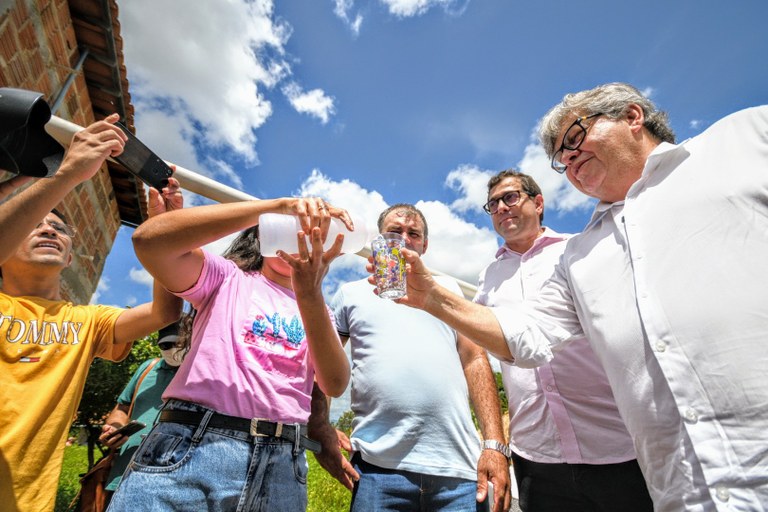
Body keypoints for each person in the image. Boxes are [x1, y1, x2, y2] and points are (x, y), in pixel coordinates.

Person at [373, 83, 768, 510]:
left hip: (622, 456)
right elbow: (528, 338)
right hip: (673, 486)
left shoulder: (742, 140)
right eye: (561, 156)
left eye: (575, 137)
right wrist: (431, 294)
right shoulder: (581, 258)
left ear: (633, 117)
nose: (569, 158)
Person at [107, 196, 352, 511]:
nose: (300, 237)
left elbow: (334, 382)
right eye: (291, 227)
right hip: (193, 444)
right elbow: (149, 242)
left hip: (282, 460)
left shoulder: (322, 311)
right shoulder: (226, 278)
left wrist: (309, 293)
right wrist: (276, 206)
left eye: (309, 233)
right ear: (265, 232)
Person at [0, 114, 183, 512]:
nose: (49, 229)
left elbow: (167, 309)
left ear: (69, 257)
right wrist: (66, 176)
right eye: (36, 224)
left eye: (60, 229)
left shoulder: (85, 321)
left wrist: (164, 230)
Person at [475, 169, 651, 511]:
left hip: (615, 443)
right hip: (537, 457)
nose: (501, 207)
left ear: (538, 202)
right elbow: (479, 353)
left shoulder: (580, 250)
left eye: (510, 197)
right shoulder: (487, 279)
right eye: (493, 203)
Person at [327, 203, 511, 512]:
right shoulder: (349, 294)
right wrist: (321, 423)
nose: (404, 239)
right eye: (394, 232)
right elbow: (323, 360)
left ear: (424, 245)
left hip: (457, 473)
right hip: (377, 468)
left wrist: (494, 446)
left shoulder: (448, 289)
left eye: (414, 234)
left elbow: (476, 360)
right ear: (379, 240)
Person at [98, 320, 186, 498]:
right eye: (166, 345)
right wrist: (114, 428)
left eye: (178, 344)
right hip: (124, 471)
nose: (172, 350)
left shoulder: (200, 373)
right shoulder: (148, 368)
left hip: (171, 477)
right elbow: (122, 407)